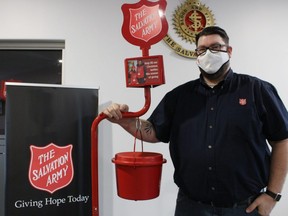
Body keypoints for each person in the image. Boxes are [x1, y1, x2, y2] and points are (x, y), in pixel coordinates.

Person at [103, 26, 288, 216]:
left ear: (229, 51)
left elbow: (282, 140)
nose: (209, 54)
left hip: (243, 208)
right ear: (196, 55)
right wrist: (122, 119)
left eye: (216, 47)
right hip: (191, 207)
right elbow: (153, 131)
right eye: (202, 50)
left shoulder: (256, 90)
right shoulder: (179, 96)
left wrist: (273, 195)